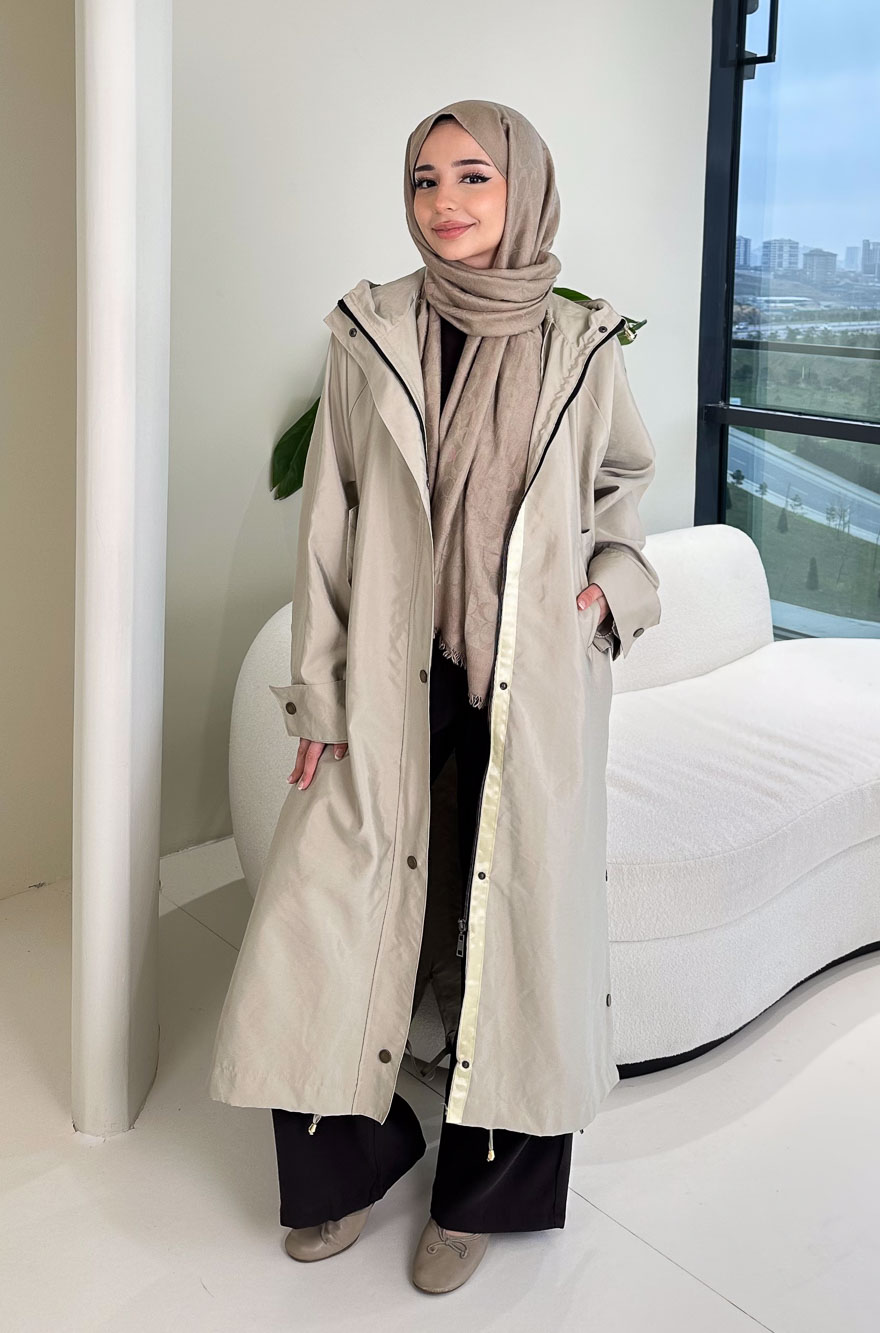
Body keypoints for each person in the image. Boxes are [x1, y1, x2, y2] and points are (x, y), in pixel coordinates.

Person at [208, 98, 661, 1296]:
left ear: (523, 187)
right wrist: (318, 697)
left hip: (534, 675)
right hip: (391, 669)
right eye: (424, 179)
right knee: (322, 915)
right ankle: (351, 1162)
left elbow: (623, 486)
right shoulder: (371, 331)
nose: (445, 201)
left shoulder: (582, 343)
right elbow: (329, 524)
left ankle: (483, 1191)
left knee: (517, 925)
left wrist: (607, 596)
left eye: (472, 175)